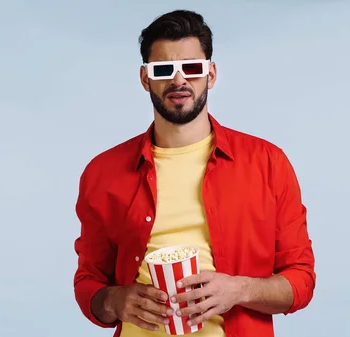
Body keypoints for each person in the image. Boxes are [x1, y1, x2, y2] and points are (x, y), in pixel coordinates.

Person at [73, 9, 316, 337]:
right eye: (164, 69)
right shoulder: (103, 173)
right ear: (145, 78)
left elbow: (301, 281)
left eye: (191, 67)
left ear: (211, 75)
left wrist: (238, 290)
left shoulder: (268, 164)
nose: (178, 80)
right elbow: (89, 284)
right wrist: (115, 300)